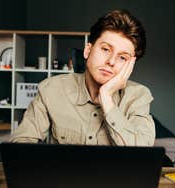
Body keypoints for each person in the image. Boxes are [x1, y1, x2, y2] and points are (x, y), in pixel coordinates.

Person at [11, 9, 155, 146]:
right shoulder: (51, 89)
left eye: (122, 57)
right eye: (105, 49)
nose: (111, 61)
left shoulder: (138, 96)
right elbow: (20, 144)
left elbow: (142, 152)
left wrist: (106, 98)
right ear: (87, 50)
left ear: (130, 66)